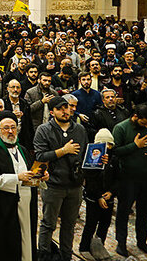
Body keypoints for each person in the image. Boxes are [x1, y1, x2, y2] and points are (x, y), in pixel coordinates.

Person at [0, 111, 44, 261]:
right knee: (6, 244)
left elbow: (29, 174)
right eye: (6, 128)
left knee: (26, 237)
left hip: (25, 204)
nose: (11, 131)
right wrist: (16, 178)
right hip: (4, 208)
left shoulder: (22, 149)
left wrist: (40, 176)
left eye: (13, 127)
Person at [33, 96, 88, 261]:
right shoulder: (44, 130)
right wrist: (63, 151)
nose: (65, 111)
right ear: (52, 112)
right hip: (53, 185)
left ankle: (66, 256)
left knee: (69, 226)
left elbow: (85, 153)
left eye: (67, 108)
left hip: (75, 185)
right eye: (60, 109)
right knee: (48, 224)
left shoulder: (79, 129)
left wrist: (96, 160)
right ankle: (44, 256)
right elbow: (40, 156)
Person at [112, 104, 147, 257]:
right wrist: (135, 145)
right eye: (143, 123)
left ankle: (142, 242)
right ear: (135, 116)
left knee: (144, 213)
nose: (146, 126)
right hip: (127, 178)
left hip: (146, 178)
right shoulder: (121, 128)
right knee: (124, 212)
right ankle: (121, 243)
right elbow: (115, 151)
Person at [79, 128, 117, 258]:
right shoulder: (90, 159)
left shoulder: (114, 160)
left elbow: (118, 179)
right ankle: (84, 247)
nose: (108, 147)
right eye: (105, 144)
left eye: (110, 145)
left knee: (105, 224)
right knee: (91, 223)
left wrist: (111, 192)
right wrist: (99, 196)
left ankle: (98, 246)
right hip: (93, 198)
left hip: (109, 198)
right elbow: (90, 180)